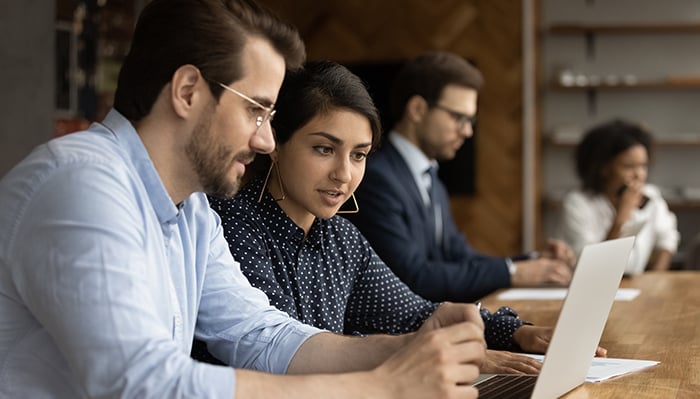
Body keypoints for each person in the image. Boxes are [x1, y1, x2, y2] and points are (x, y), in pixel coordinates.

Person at [0, 2, 487, 398]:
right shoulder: (82, 183)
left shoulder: (191, 210)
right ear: (188, 91)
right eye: (256, 111)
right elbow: (140, 383)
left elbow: (261, 335)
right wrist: (382, 387)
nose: (267, 142)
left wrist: (410, 347)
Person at [199, 60, 562, 375]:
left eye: (358, 155)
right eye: (324, 149)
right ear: (276, 142)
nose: (344, 173)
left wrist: (516, 332)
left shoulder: (341, 237)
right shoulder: (233, 224)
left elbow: (412, 314)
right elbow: (279, 353)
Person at [345, 51, 574, 303]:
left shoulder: (432, 180)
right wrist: (514, 273)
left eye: (470, 120)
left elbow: (460, 257)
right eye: (459, 118)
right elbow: (412, 277)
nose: (467, 131)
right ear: (418, 109)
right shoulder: (376, 178)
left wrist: (534, 262)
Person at [556, 119, 680, 274]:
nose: (639, 175)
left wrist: (657, 276)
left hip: (636, 285)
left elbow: (667, 237)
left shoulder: (651, 195)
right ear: (603, 168)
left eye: (643, 166)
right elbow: (593, 267)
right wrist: (621, 218)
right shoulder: (577, 203)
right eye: (629, 166)